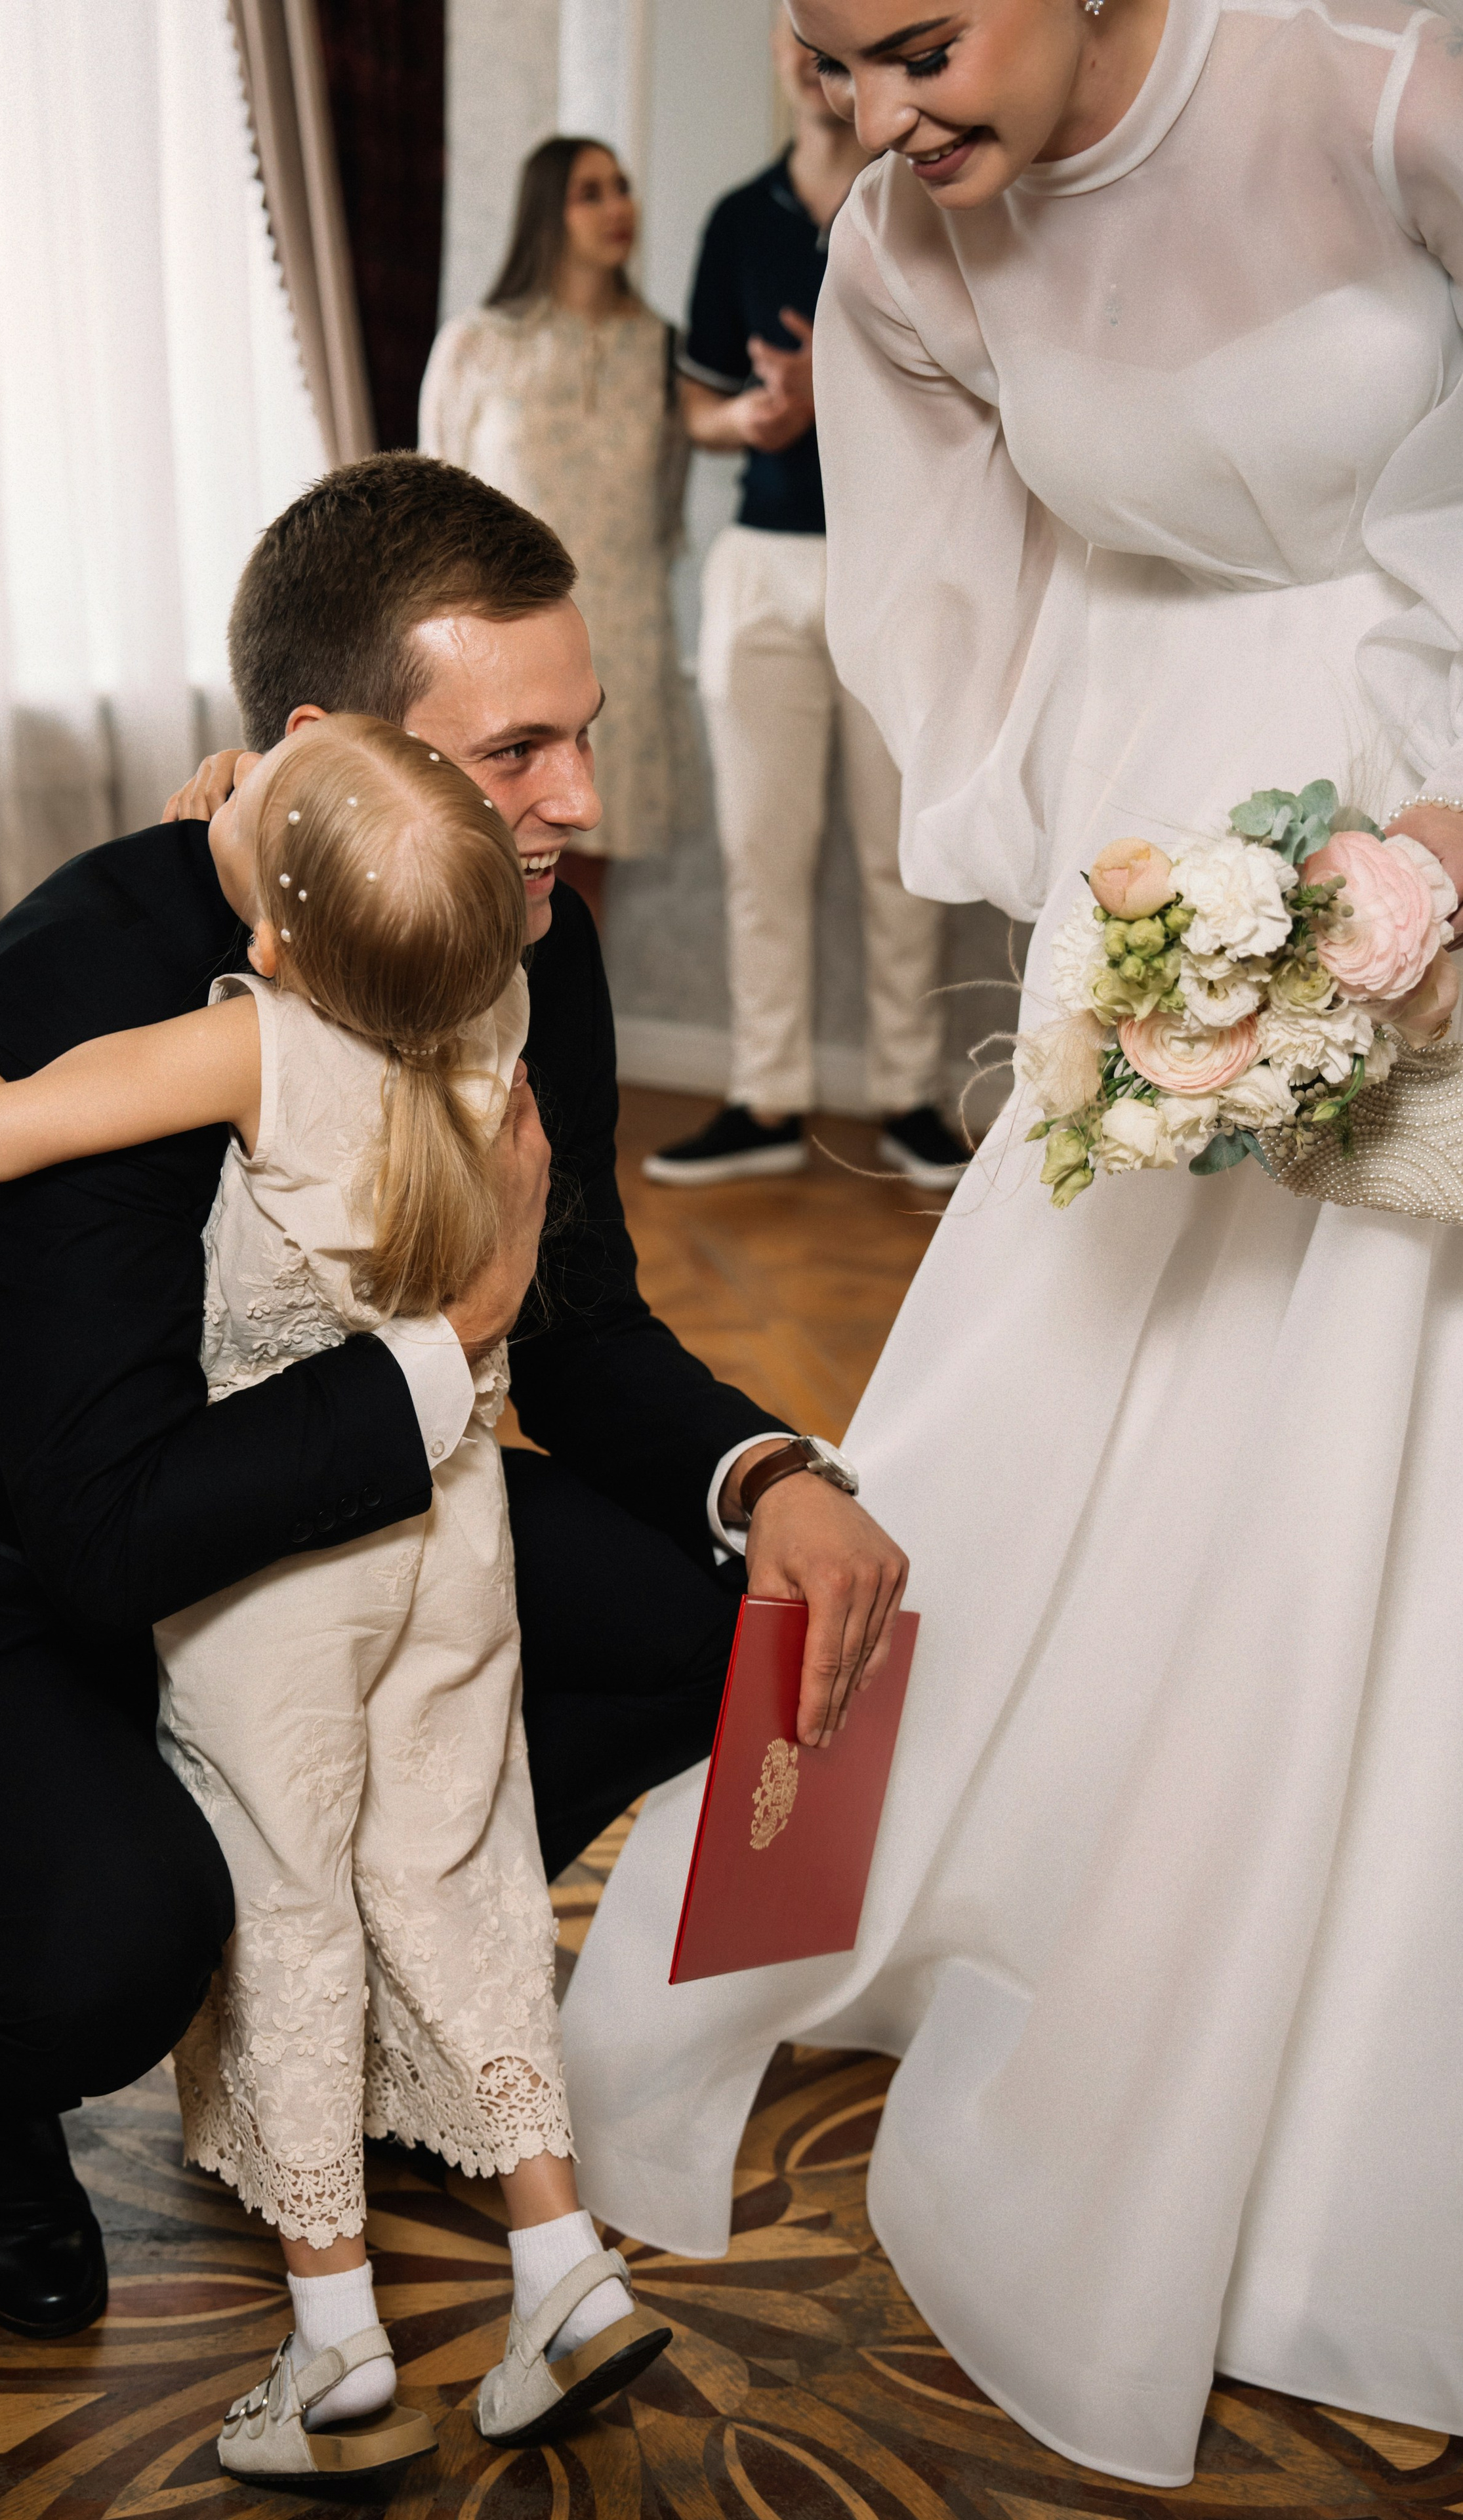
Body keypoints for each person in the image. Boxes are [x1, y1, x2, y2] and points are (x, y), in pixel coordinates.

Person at [560, 0, 1463, 2488]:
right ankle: (817, 1922)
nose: (874, 126)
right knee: (987, 1427)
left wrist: (1437, 840)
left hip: (1440, 791)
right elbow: (946, 601)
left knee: (1369, 1431)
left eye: (918, 46)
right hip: (1152, 848)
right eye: (829, 67)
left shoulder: (1383, 85)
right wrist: (1095, 907)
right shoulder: (892, 249)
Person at [0, 453, 905, 2351]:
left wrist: (765, 1467)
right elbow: (106, 1522)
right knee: (100, 1950)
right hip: (1, 1574)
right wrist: (447, 1338)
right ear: (327, 746)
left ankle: (381, 1985)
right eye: (522, 748)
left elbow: (581, 1326)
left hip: (346, 1529)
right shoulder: (89, 978)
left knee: (722, 1626)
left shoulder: (532, 932)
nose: (583, 804)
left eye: (589, 736)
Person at [0, 719, 672, 2483]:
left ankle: (335, 2344)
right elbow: (397, 905)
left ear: (269, 942)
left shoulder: (252, 1048)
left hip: (277, 1580)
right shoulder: (501, 1005)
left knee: (286, 1903)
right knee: (452, 1863)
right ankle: (560, 2263)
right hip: (453, 1527)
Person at [645, 10, 966, 1193]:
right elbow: (699, 407)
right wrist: (762, 419)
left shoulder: (933, 195)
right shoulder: (739, 219)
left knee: (901, 854)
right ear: (789, 58)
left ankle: (911, 1102)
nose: (813, 51)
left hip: (902, 566)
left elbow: (981, 393)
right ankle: (766, 1097)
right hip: (763, 569)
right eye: (797, 32)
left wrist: (856, 397)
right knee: (759, 854)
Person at [421, 138, 691, 928]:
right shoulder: (477, 344)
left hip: (620, 646)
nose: (618, 208)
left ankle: (566, 1047)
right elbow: (433, 510)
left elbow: (666, 511)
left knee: (581, 879)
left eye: (623, 188)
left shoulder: (661, 350)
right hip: (497, 649)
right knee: (478, 859)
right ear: (548, 212)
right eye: (590, 193)